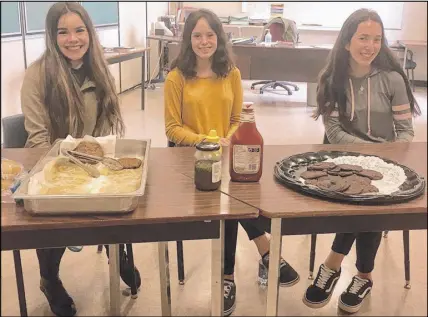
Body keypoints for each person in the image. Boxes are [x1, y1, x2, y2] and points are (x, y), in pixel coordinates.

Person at [164, 8, 299, 316]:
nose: (203, 41)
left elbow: (238, 119)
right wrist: (208, 142)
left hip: (229, 153)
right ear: (188, 39)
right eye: (196, 35)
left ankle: (231, 275)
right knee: (231, 202)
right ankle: (265, 252)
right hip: (193, 158)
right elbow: (172, 129)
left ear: (219, 38)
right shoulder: (176, 77)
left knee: (237, 193)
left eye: (210, 35)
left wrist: (229, 140)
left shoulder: (232, 74)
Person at [20, 2, 141, 316]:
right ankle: (49, 278)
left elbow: (103, 132)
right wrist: (60, 178)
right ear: (52, 36)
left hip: (90, 159)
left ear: (89, 32)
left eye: (79, 30)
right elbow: (37, 140)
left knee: (120, 197)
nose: (72, 39)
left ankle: (118, 253)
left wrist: (97, 167)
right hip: (53, 164)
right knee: (50, 221)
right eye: (62, 32)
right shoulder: (37, 76)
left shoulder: (98, 69)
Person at [303, 8, 421, 314]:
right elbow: (334, 131)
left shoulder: (393, 79)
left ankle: (333, 263)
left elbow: (406, 131)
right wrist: (369, 156)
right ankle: (364, 275)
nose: (370, 45)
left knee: (372, 196)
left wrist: (386, 158)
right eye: (363, 37)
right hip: (341, 163)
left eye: (377, 39)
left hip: (385, 164)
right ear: (346, 41)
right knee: (365, 196)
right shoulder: (331, 79)